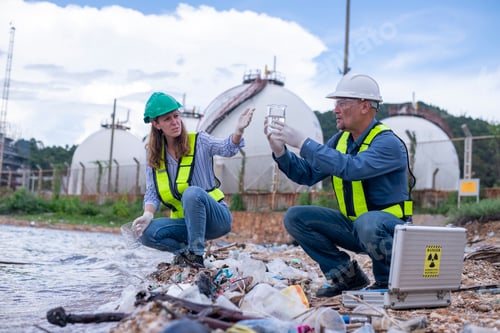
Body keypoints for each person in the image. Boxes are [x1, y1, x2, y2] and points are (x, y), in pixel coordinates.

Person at [264, 73, 414, 297]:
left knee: (368, 222)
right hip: (357, 228)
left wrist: (305, 143)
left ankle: (388, 279)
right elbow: (307, 174)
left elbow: (353, 168)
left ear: (364, 106)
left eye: (342, 103)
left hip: (391, 231)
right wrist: (280, 151)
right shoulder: (340, 141)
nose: (335, 109)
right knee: (296, 217)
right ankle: (346, 276)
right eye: (336, 103)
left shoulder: (388, 143)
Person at [132, 92, 255, 268]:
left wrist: (238, 130)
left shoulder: (199, 141)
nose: (175, 122)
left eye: (176, 116)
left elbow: (228, 149)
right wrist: (148, 214)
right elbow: (152, 191)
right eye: (167, 119)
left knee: (192, 193)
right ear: (156, 124)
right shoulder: (153, 155)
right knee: (146, 233)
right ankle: (185, 254)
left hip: (216, 219)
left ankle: (196, 256)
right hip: (186, 224)